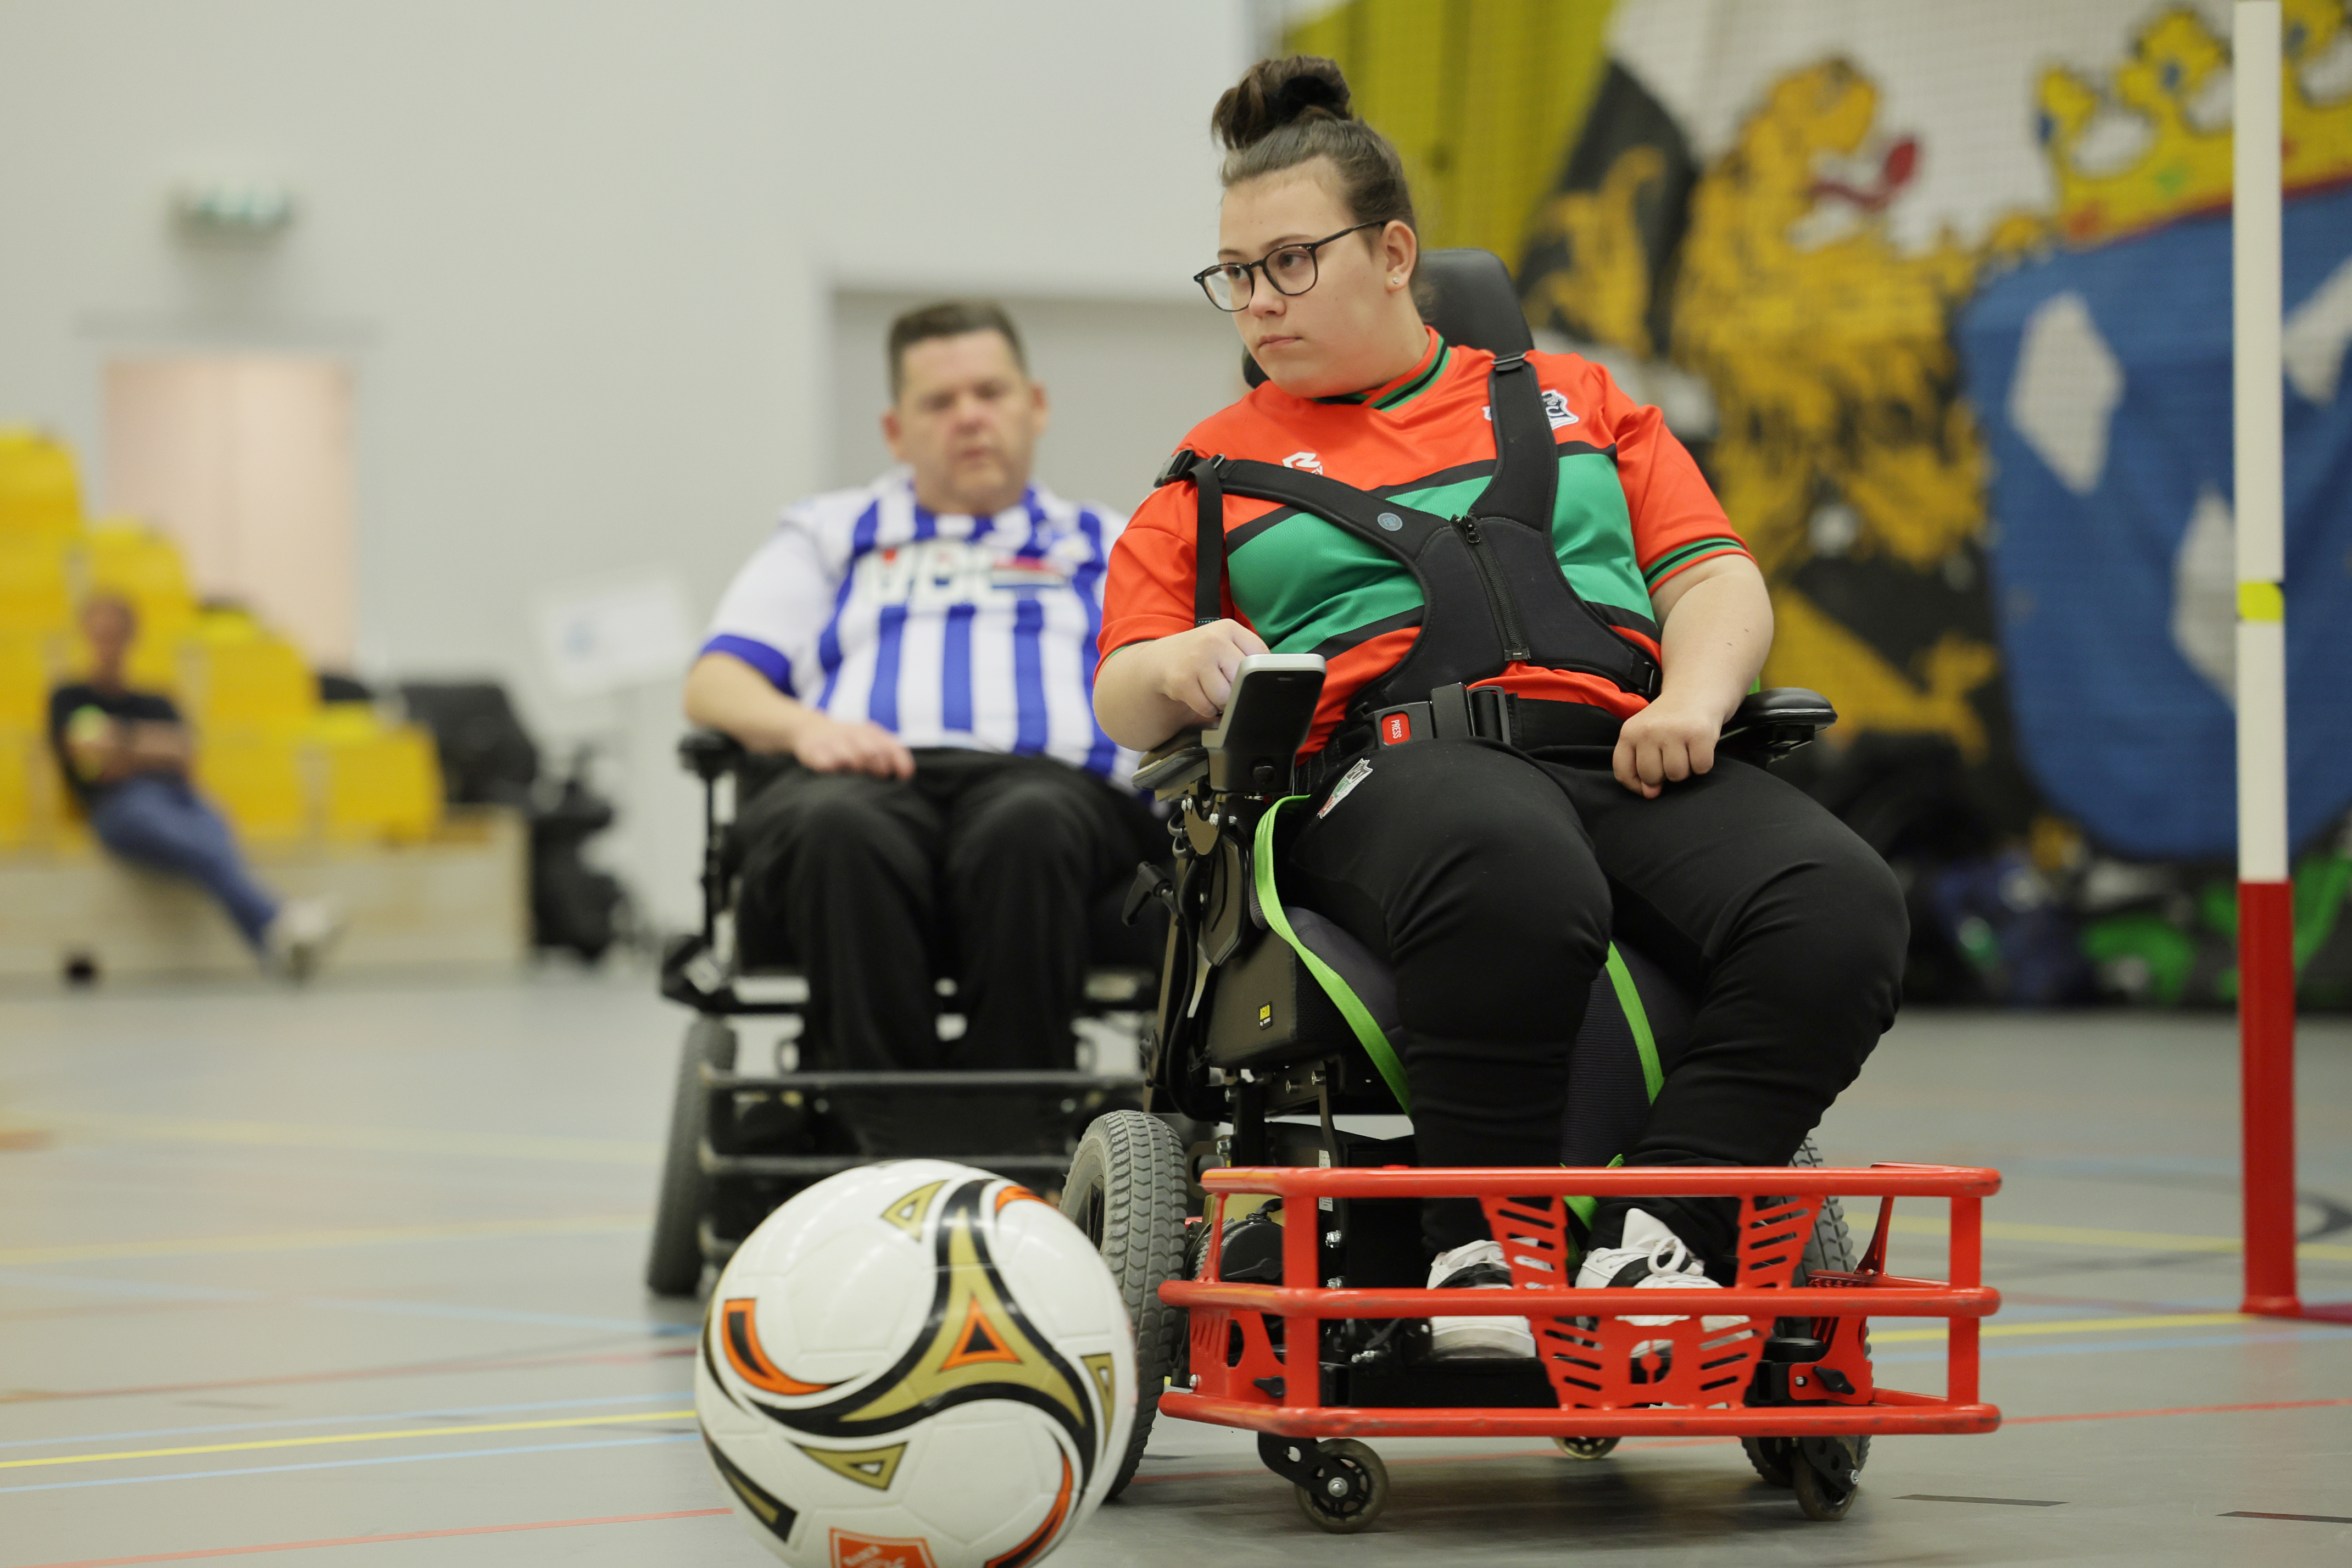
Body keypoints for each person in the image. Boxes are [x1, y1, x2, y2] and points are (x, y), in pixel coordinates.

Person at [1094, 57, 1907, 1359]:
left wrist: (1693, 699)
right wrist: (1181, 660)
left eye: (1290, 261)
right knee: (1506, 852)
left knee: (1841, 902)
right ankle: (1482, 1235)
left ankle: (1666, 1236)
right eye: (1235, 273)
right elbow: (1123, 684)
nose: (1256, 299)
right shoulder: (1207, 473)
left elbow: (1712, 574)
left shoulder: (1580, 403)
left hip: (1622, 756)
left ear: (1395, 251)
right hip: (1390, 779)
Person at [685, 300, 1150, 1072]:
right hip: (854, 781)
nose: (968, 417)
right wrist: (806, 730)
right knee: (840, 828)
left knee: (1026, 824)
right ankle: (878, 1113)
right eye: (938, 401)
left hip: (1057, 794)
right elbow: (714, 681)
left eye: (990, 393)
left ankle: (1016, 1105)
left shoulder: (1108, 541)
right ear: (896, 430)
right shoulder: (830, 532)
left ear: (1034, 407)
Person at [48, 594, 344, 978]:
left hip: (179, 796)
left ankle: (278, 938)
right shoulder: (69, 696)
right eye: (100, 634)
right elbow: (87, 752)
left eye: (116, 634)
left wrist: (119, 741)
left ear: (130, 637)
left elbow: (183, 752)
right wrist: (150, 745)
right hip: (119, 807)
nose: (108, 643)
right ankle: (280, 923)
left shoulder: (156, 698)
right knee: (203, 848)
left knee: (216, 836)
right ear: (86, 636)